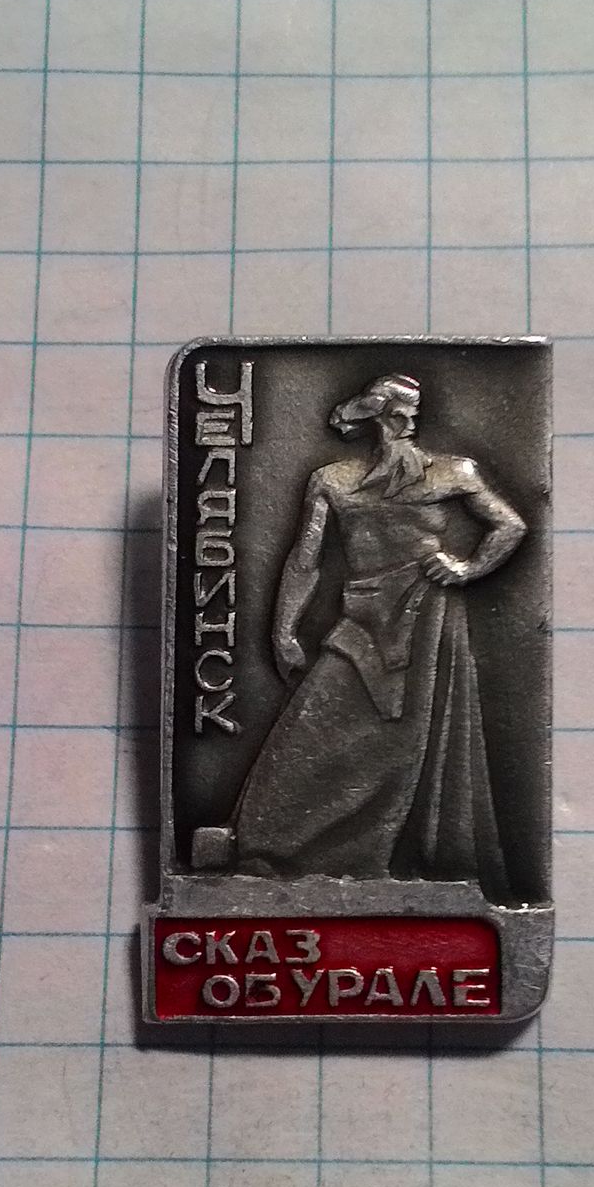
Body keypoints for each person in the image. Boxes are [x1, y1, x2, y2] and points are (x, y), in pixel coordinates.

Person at [231, 372, 526, 897]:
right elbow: (305, 560)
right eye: (395, 413)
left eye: (412, 412)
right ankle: (273, 850)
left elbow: (510, 525)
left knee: (410, 739)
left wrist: (467, 569)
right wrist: (284, 628)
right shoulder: (332, 480)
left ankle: (386, 860)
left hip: (428, 615)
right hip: (362, 614)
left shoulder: (454, 471)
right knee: (311, 728)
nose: (407, 423)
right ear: (373, 417)